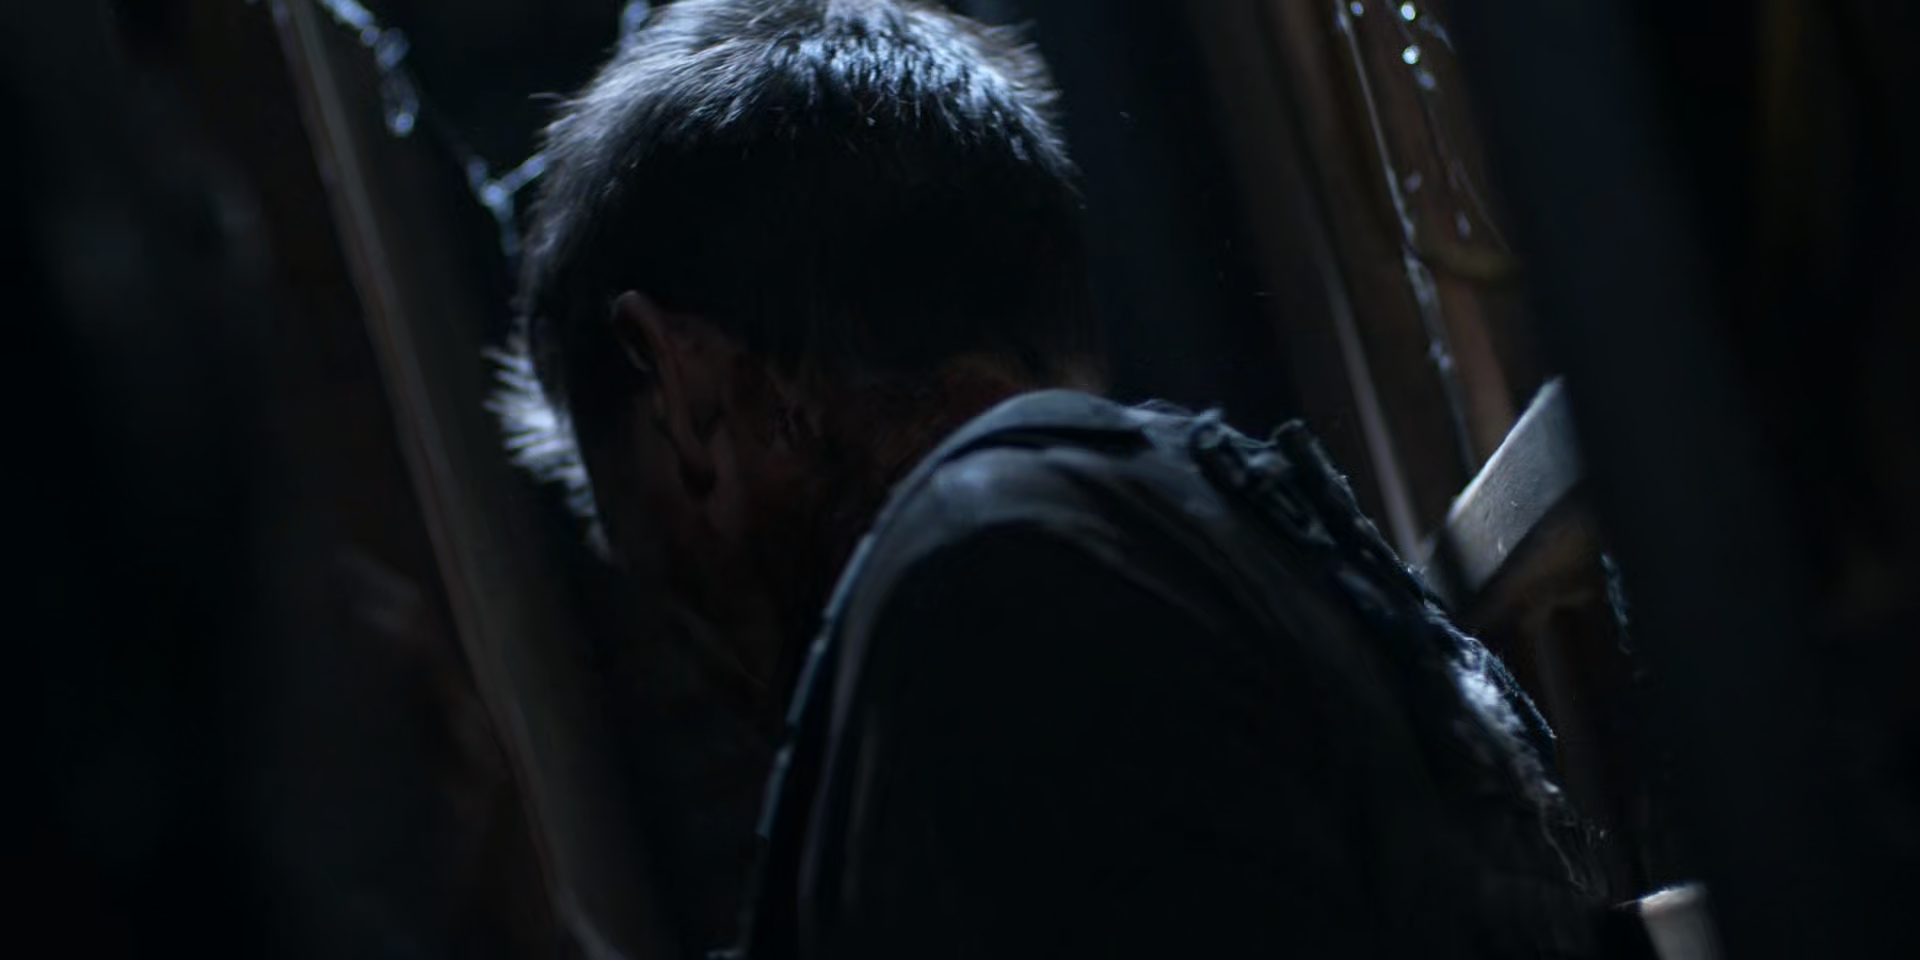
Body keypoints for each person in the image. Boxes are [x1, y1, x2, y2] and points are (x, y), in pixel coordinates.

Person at [494, 1, 1610, 957]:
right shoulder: (1190, 528)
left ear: (683, 391)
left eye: (644, 545)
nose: (715, 669)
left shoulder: (991, 589)